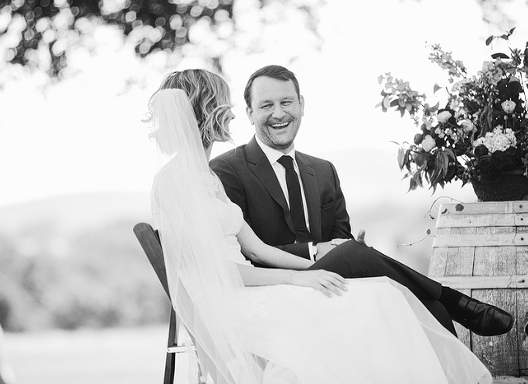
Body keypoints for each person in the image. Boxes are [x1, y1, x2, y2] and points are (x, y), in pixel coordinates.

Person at [148, 69, 492, 383]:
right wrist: (300, 277)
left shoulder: (207, 178)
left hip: (256, 286)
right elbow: (217, 271)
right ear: (209, 112)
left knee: (378, 283)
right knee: (376, 296)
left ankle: (446, 318)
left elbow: (257, 248)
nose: (234, 113)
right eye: (225, 105)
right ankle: (452, 304)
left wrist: (319, 265)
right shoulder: (175, 182)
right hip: (233, 305)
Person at [209, 65, 512, 337]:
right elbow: (245, 253)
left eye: (286, 102)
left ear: (301, 105)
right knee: (413, 294)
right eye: (266, 105)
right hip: (277, 286)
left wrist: (351, 248)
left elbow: (340, 239)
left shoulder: (323, 170)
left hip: (333, 282)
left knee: (428, 307)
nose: (278, 113)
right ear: (249, 113)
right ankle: (455, 300)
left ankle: (449, 317)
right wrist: (317, 251)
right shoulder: (226, 170)